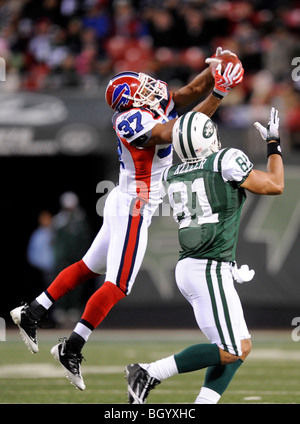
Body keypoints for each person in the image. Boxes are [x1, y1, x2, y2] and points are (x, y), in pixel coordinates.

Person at [10, 47, 244, 391]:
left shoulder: (150, 103)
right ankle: (71, 346)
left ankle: (33, 311)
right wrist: (221, 91)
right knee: (119, 283)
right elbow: (181, 133)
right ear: (129, 101)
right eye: (141, 88)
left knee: (91, 265)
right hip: (136, 202)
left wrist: (214, 70)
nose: (151, 88)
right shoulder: (130, 121)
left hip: (126, 197)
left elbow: (187, 94)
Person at [126, 107, 284, 404]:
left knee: (240, 346)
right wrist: (274, 144)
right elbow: (275, 185)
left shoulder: (174, 172)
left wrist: (227, 262)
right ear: (208, 138)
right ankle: (148, 372)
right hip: (207, 268)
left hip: (200, 265)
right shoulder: (224, 160)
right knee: (230, 349)